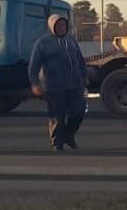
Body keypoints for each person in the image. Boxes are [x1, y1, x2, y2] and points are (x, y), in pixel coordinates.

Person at [28, 14, 88, 151]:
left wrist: (84, 76)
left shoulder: (71, 40)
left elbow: (79, 59)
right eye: (58, 26)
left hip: (74, 85)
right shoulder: (43, 43)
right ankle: (57, 145)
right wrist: (34, 83)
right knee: (57, 117)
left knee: (80, 111)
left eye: (64, 25)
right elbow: (33, 65)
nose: (62, 28)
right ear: (52, 27)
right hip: (54, 87)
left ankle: (68, 135)